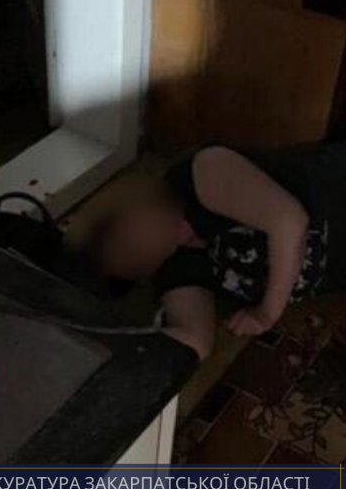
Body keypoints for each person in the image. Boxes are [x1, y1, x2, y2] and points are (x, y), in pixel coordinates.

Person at [89, 143, 346, 360]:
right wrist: (100, 345)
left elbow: (289, 222)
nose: (136, 249)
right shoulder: (176, 266)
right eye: (131, 260)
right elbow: (194, 342)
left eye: (123, 237)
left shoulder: (198, 174)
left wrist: (266, 313)